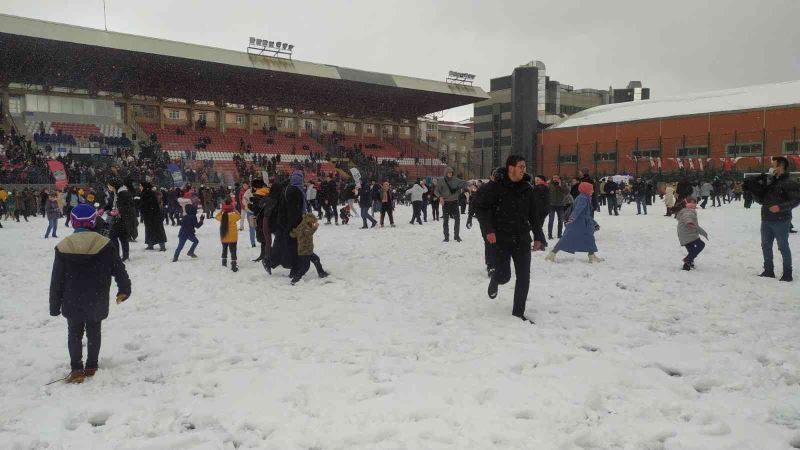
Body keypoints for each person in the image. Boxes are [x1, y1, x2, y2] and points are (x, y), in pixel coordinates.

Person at [49, 203, 131, 383]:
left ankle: (77, 369)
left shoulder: (63, 246)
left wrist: (55, 305)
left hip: (72, 298)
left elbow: (56, 280)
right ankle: (92, 365)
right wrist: (124, 289)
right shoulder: (105, 244)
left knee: (74, 333)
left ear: (73, 222)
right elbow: (119, 269)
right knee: (94, 331)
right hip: (97, 297)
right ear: (94, 221)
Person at [476, 155, 540, 323]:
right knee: (505, 276)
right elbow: (482, 209)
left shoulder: (527, 188)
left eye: (524, 167)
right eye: (520, 166)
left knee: (524, 277)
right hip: (501, 238)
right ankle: (496, 279)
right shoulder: (496, 187)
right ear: (511, 168)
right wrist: (489, 230)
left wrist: (539, 236)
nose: (523, 170)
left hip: (522, 238)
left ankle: (518, 313)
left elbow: (534, 215)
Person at [752, 157, 800, 281]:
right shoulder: (770, 182)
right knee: (765, 245)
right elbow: (762, 201)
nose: (771, 168)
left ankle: (787, 273)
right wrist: (754, 191)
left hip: (781, 220)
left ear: (781, 166)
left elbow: (796, 200)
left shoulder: (790, 183)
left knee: (783, 246)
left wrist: (780, 207)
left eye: (773, 165)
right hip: (766, 219)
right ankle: (768, 270)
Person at [545, 182, 604, 264]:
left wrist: (593, 222)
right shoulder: (583, 198)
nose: (593, 191)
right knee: (567, 238)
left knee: (589, 238)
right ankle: (552, 254)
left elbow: (585, 213)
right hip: (578, 223)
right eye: (591, 189)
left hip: (583, 223)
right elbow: (577, 210)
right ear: (586, 190)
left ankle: (591, 255)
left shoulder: (585, 197)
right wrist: (571, 219)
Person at [288, 212, 329, 285]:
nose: (313, 222)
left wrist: (293, 232)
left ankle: (321, 273)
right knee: (305, 267)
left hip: (308, 250)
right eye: (313, 221)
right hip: (304, 250)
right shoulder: (304, 226)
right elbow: (308, 233)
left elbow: (294, 234)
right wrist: (315, 228)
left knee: (316, 259)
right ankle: (295, 280)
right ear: (308, 220)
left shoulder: (303, 225)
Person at [674, 197, 708, 271]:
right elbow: (687, 217)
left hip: (684, 233)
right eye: (693, 202)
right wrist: (689, 222)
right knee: (701, 245)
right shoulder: (688, 211)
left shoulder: (685, 210)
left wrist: (702, 232)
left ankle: (688, 264)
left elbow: (693, 223)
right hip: (689, 233)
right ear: (687, 204)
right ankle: (688, 260)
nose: (694, 204)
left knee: (692, 250)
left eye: (695, 202)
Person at [435, 168, 469, 242]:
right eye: (449, 173)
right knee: (445, 220)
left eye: (451, 172)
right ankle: (446, 237)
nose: (450, 174)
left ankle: (456, 236)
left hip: (454, 202)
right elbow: (436, 191)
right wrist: (440, 197)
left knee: (457, 219)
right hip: (446, 203)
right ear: (446, 173)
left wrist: (468, 185)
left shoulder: (456, 180)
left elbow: (465, 183)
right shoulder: (441, 181)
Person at [139, 182, 167, 251]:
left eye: (141, 185)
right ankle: (150, 245)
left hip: (154, 216)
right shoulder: (145, 193)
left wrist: (141, 206)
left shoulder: (148, 193)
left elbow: (150, 205)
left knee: (158, 230)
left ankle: (162, 246)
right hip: (149, 216)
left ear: (144, 186)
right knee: (149, 230)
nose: (140, 187)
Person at [215, 198, 241, 272]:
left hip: (224, 236)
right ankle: (233, 264)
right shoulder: (234, 216)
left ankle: (224, 263)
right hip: (233, 237)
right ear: (231, 209)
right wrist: (235, 210)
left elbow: (216, 216)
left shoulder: (222, 217)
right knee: (233, 250)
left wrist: (221, 211)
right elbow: (239, 216)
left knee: (224, 249)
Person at [547, 175, 569, 240]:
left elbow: (567, 192)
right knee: (551, 220)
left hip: (560, 205)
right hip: (551, 205)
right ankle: (549, 235)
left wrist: (560, 185)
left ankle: (559, 234)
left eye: (556, 177)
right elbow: (545, 192)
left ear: (559, 178)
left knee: (560, 220)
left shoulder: (563, 184)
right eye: (553, 177)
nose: (555, 179)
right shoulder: (549, 184)